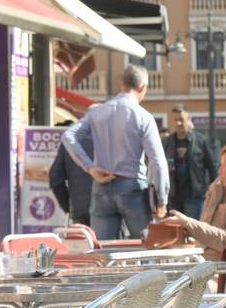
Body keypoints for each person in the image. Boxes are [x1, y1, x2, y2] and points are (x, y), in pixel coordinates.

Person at [62, 64, 169, 240]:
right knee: (145, 250)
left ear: (121, 83)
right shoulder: (143, 117)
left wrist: (90, 168)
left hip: (102, 187)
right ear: (143, 87)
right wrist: (162, 200)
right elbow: (158, 162)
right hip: (132, 187)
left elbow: (68, 135)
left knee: (105, 253)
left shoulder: (98, 111)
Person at [163, 104, 217, 221]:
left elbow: (212, 166)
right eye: (175, 120)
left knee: (193, 231)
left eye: (181, 119)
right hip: (173, 196)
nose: (178, 123)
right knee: (175, 232)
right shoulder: (166, 143)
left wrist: (214, 190)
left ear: (188, 120)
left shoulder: (201, 141)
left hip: (195, 196)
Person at [49, 119, 94, 227]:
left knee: (83, 242)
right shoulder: (111, 138)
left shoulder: (70, 141)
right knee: (111, 243)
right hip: (109, 209)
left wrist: (68, 206)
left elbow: (55, 177)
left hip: (79, 208)